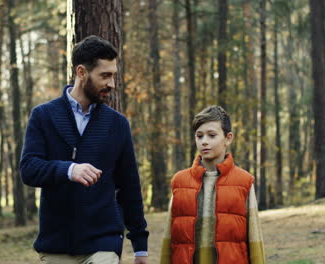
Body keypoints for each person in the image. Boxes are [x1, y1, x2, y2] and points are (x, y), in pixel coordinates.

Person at [20, 35, 149, 264]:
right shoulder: (43, 116)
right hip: (55, 245)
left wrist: (140, 247)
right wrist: (69, 170)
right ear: (81, 72)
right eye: (105, 75)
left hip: (103, 242)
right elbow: (29, 169)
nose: (112, 84)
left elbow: (130, 187)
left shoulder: (118, 125)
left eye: (113, 76)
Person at [159, 105, 265, 264]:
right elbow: (169, 239)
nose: (204, 142)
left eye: (212, 135)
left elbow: (255, 238)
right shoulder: (180, 182)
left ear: (228, 138)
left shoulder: (243, 182)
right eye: (199, 136)